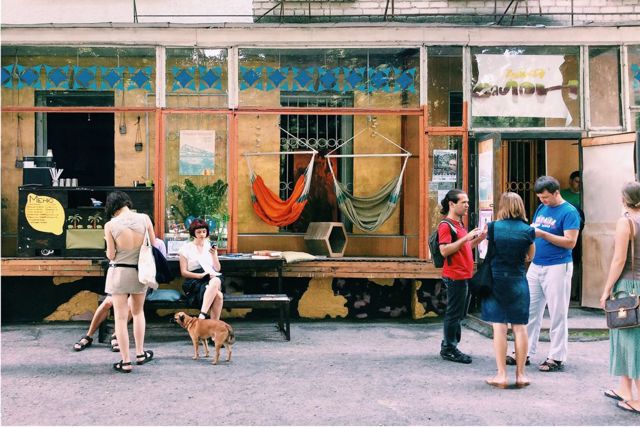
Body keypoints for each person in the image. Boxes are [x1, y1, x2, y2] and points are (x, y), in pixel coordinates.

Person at [518, 176, 581, 373]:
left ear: (556, 192)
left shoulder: (569, 211)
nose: (543, 201)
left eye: (545, 197)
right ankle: (525, 351)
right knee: (529, 310)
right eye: (540, 197)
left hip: (558, 265)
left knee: (557, 312)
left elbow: (570, 242)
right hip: (536, 264)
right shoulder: (541, 208)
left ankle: (556, 356)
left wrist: (543, 234)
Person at [73, 225, 167, 353]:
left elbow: (161, 264)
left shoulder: (158, 243)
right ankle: (88, 336)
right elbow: (112, 257)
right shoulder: (125, 239)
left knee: (131, 304)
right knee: (107, 302)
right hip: (123, 278)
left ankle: (116, 335)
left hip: (143, 280)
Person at [481, 192, 535, 388]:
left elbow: (486, 252)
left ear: (502, 206)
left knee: (500, 327)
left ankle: (501, 375)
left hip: (496, 280)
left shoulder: (493, 227)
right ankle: (521, 375)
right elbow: (530, 257)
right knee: (520, 327)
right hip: (518, 280)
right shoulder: (528, 230)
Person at [599, 181, 640, 414]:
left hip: (629, 286)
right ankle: (625, 389)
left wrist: (606, 289)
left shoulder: (626, 222)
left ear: (624, 199)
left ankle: (638, 399)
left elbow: (619, 259)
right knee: (626, 337)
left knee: (630, 340)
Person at [104, 191, 155, 373]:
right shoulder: (145, 218)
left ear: (112, 207)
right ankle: (140, 354)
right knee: (138, 312)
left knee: (120, 317)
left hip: (119, 272)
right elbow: (153, 243)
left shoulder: (110, 225)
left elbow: (111, 255)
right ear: (127, 203)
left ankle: (125, 361)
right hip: (139, 272)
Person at [438, 189, 486, 364]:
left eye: (467, 202)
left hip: (464, 274)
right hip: (455, 275)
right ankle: (449, 348)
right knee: (454, 313)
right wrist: (466, 237)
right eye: (463, 202)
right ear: (452, 204)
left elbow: (463, 248)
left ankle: (449, 345)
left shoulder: (459, 224)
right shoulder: (446, 225)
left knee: (458, 313)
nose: (467, 205)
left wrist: (479, 238)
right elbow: (444, 250)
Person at [179, 218, 223, 320]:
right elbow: (183, 272)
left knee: (216, 280)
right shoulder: (185, 248)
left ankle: (202, 316)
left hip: (211, 278)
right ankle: (212, 326)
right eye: (199, 232)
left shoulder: (209, 247)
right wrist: (200, 276)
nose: (202, 234)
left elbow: (217, 269)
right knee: (218, 296)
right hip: (194, 280)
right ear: (193, 233)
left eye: (204, 231)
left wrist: (214, 255)